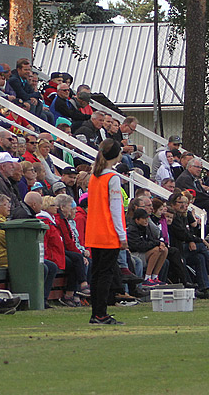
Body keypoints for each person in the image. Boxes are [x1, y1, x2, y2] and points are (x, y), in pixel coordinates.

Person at [84, 138, 127, 325]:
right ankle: (101, 313)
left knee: (96, 274)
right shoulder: (112, 178)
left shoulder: (94, 176)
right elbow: (115, 209)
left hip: (93, 231)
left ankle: (96, 313)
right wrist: (122, 235)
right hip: (108, 231)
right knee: (106, 274)